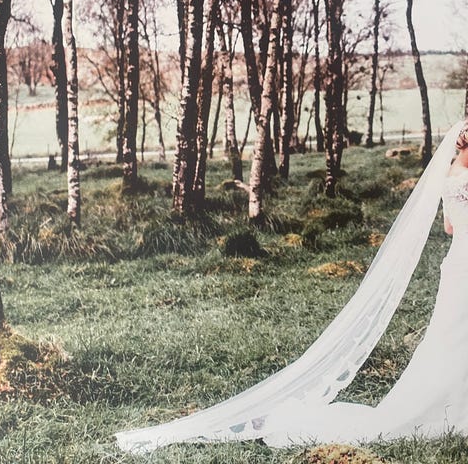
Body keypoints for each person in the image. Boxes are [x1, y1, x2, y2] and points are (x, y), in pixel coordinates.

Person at [116, 121, 467, 453]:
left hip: (456, 264)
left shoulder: (450, 171)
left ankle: (443, 402)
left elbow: (449, 229)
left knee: (447, 338)